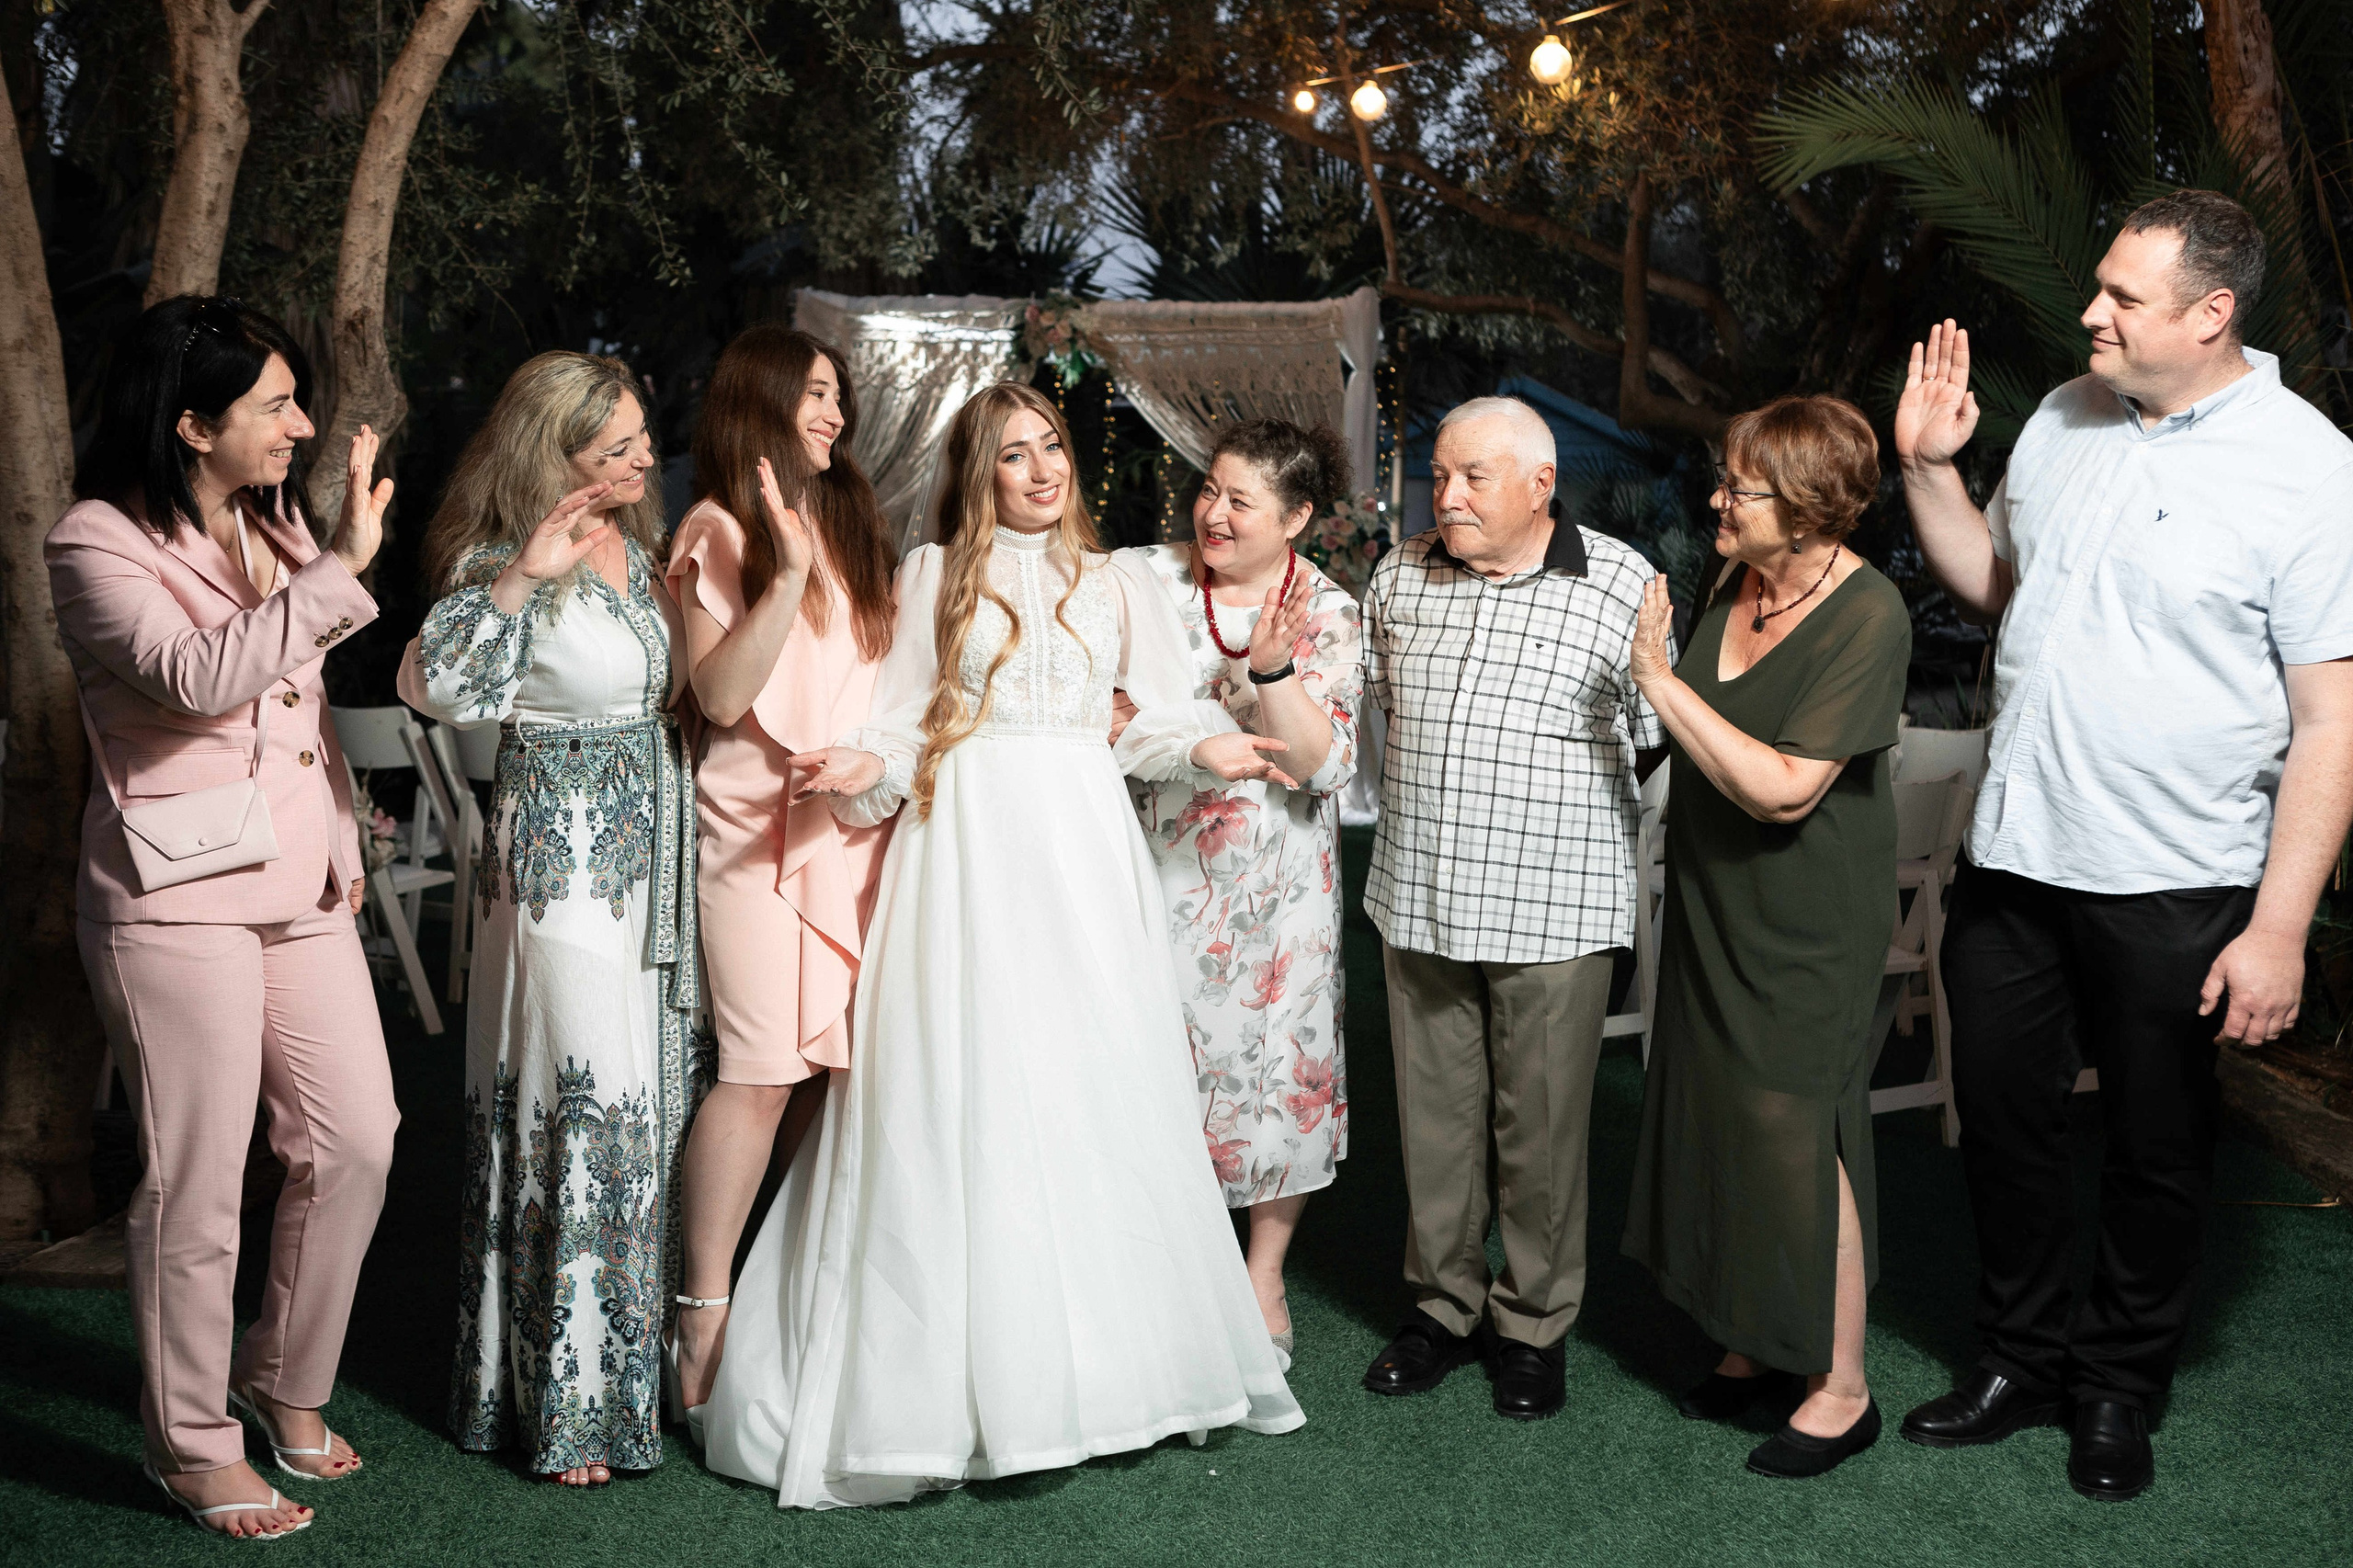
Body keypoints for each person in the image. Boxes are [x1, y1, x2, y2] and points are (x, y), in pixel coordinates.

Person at [696, 381, 1303, 1508]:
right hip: (964, 848)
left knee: (1090, 1084)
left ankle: (1109, 1371)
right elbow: (902, 718)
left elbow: (1158, 715)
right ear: (978, 473)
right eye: (1013, 454)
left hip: (1080, 848)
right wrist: (860, 769)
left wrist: (1208, 748)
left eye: (1052, 448)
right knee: (959, 1088)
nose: (1040, 470)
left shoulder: (1117, 578)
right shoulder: (931, 574)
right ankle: (953, 1384)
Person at [1895, 189, 2353, 1501]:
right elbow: (1996, 587)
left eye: (2123, 299)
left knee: (2158, 1149)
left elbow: (2332, 717)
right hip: (2017, 851)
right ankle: (2019, 1360)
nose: (2089, 313)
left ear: (2213, 315)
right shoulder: (2060, 417)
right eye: (2099, 285)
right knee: (2004, 1123)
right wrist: (1929, 470)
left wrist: (2277, 926)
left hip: (2185, 878)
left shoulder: (2310, 468)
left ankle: (2117, 1387)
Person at [49, 295, 399, 1539]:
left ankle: (282, 1377)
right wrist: (341, 565)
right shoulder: (94, 543)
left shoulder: (274, 519)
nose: (302, 425)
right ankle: (190, 1443)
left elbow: (296, 707)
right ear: (191, 424)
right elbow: (203, 680)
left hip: (299, 884)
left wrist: (346, 838)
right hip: (171, 897)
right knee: (198, 1185)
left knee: (359, 1135)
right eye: (275, 406)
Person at [398, 351, 704, 1487]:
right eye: (610, 448)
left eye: (638, 439)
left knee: (652, 1096)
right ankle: (563, 1398)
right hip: (557, 868)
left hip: (650, 855)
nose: (636, 460)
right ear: (549, 454)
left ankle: (638, 1375)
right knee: (583, 1104)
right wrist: (521, 578)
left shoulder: (652, 552)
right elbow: (440, 691)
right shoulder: (501, 560)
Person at [1620, 395, 1911, 1478]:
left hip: (1804, 917)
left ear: (1803, 508)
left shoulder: (1870, 612)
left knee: (1798, 1131)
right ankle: (1749, 1338)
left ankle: (1840, 1383)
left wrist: (1653, 675)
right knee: (1718, 1112)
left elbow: (1784, 790)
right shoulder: (1734, 581)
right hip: (1712, 896)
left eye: (1737, 489)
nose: (1714, 501)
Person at [1358, 395, 1663, 1422]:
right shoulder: (1398, 572)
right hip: (1422, 895)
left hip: (1556, 911)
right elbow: (1360, 704)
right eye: (1437, 474)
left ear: (1539, 483)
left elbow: (1659, 733)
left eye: (1471, 477)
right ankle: (1442, 1308)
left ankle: (1532, 1324)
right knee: (1435, 1128)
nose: (1445, 496)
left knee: (1538, 1135)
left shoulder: (1620, 580)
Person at [663, 325, 898, 1419]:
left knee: (826, 1077)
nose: (834, 414)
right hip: (753, 839)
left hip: (849, 828)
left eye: (838, 397)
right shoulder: (714, 528)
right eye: (814, 394)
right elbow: (718, 696)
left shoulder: (846, 524)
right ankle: (699, 1313)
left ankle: (771, 1290)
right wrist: (787, 573)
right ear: (761, 401)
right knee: (757, 1073)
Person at [1114, 418, 1365, 1362]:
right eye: (1209, 489)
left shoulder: (1329, 611)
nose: (1212, 514)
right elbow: (1097, 701)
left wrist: (1268, 671)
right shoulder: (1143, 577)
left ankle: (1263, 1268)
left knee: (1275, 1066)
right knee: (1149, 1050)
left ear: (1296, 516)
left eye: (1240, 501)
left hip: (1276, 880)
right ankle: (1154, 1255)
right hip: (1150, 860)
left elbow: (1320, 760)